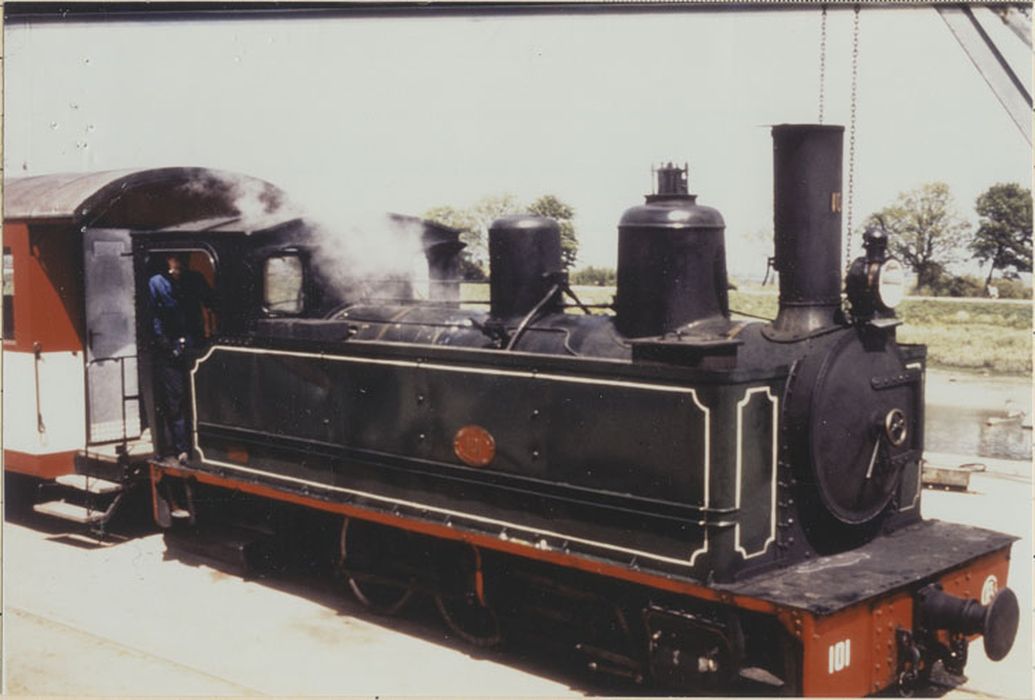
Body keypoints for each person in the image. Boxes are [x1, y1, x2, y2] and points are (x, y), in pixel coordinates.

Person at [148, 253, 215, 465]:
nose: (178, 263)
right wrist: (165, 344)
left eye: (181, 259)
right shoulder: (156, 283)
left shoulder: (195, 279)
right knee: (175, 400)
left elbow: (211, 302)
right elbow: (153, 315)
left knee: (201, 397)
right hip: (170, 347)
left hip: (196, 344)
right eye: (174, 259)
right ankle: (182, 448)